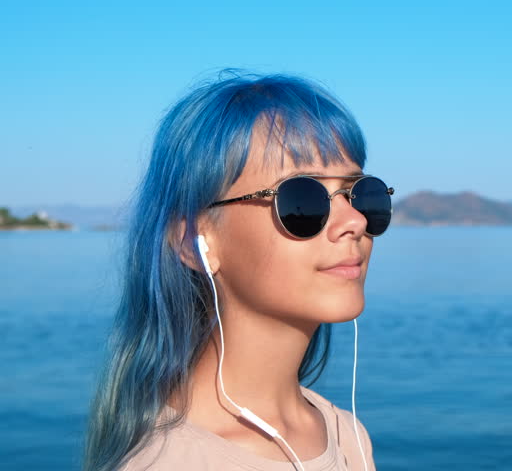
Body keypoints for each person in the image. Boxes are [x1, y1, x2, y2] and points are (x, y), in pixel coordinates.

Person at [82, 72, 393, 471]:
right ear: (194, 242)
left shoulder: (344, 432)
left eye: (360, 193)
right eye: (302, 199)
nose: (354, 220)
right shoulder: (169, 462)